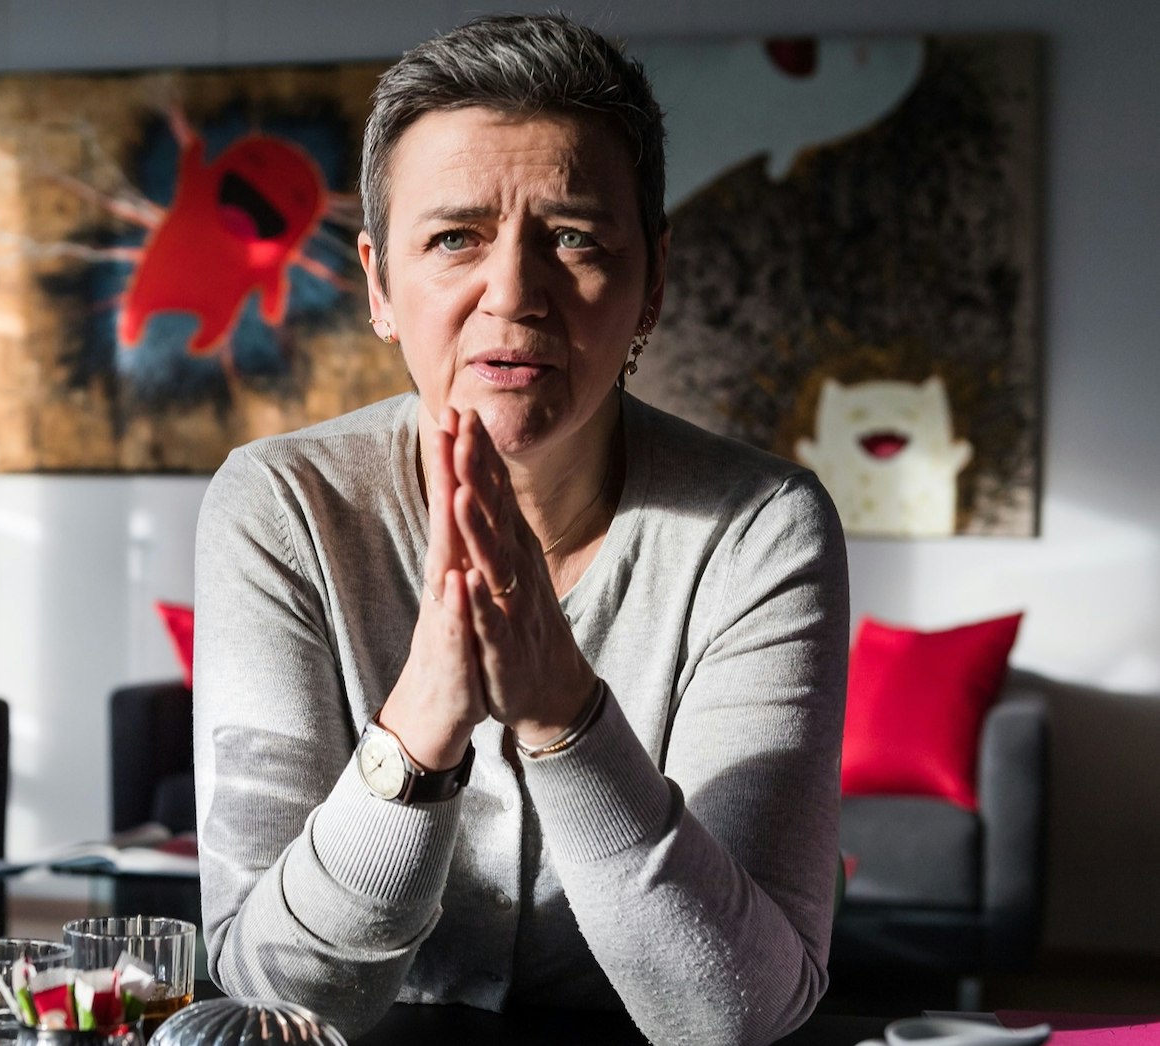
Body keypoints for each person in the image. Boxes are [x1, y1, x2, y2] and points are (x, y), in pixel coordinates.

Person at [192, 13, 850, 1046]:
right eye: (456, 237)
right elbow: (273, 987)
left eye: (576, 237)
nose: (514, 292)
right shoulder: (280, 506)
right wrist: (419, 727)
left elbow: (739, 1009)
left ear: (653, 285)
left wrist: (564, 713)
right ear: (377, 283)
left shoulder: (759, 530)